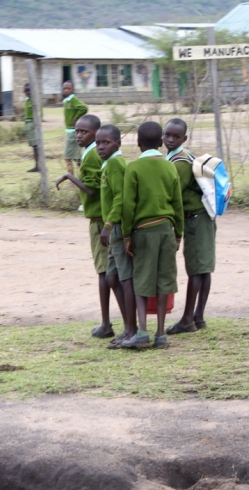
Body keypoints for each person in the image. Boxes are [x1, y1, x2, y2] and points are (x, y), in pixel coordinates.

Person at [120, 121, 184, 349]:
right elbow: (178, 204)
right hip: (167, 230)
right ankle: (160, 334)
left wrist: (127, 236)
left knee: (142, 281)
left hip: (143, 232)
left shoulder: (133, 168)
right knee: (163, 281)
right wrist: (178, 234)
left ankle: (141, 331)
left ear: (138, 144)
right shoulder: (170, 167)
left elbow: (128, 206)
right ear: (160, 143)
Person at [56, 114, 120, 340]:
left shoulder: (93, 154)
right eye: (77, 131)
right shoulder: (94, 152)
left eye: (84, 132)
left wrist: (68, 176)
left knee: (104, 272)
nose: (79, 135)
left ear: (96, 132)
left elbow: (93, 191)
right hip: (103, 218)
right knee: (111, 272)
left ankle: (106, 324)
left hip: (100, 220)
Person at [163, 118, 216, 335]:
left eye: (176, 136)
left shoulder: (180, 162)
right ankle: (198, 317)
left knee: (197, 269)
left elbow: (170, 190)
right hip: (201, 216)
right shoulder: (178, 157)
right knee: (202, 268)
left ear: (184, 138)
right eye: (167, 135)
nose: (170, 139)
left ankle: (188, 319)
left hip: (197, 217)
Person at [97, 124, 136, 347]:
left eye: (106, 143)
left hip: (118, 227)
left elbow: (122, 198)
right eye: (98, 143)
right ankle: (127, 326)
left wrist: (109, 224)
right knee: (111, 277)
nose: (100, 147)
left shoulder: (115, 164)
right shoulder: (108, 163)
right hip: (112, 228)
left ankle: (132, 329)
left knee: (124, 278)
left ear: (118, 144)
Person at [62, 81, 88, 175]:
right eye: (64, 88)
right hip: (71, 131)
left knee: (67, 157)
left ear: (72, 90)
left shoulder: (73, 99)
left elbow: (84, 107)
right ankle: (85, 175)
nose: (66, 90)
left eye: (68, 88)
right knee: (77, 158)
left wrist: (76, 118)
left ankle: (72, 179)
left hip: (73, 131)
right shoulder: (68, 100)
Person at [23, 83, 40, 172]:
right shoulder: (27, 100)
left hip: (33, 124)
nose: (27, 92)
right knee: (34, 147)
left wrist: (35, 125)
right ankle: (37, 165)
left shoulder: (34, 100)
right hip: (28, 124)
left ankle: (39, 166)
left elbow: (38, 112)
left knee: (36, 146)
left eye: (29, 90)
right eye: (26, 91)